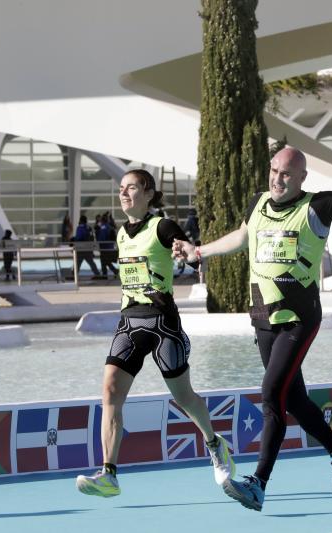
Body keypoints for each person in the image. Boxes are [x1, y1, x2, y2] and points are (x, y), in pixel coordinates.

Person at [174, 117, 332, 512]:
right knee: (295, 399)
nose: (278, 179)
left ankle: (258, 483)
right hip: (262, 317)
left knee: (272, 394)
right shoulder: (258, 202)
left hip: (298, 318)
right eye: (274, 171)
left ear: (302, 178)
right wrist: (199, 251)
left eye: (287, 174)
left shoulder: (317, 207)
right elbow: (242, 237)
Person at [76, 169, 234, 498]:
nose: (124, 193)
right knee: (110, 390)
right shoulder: (121, 233)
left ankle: (214, 443)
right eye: (121, 188)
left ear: (148, 194)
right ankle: (109, 474)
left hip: (162, 323)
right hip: (129, 322)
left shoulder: (161, 226)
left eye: (131, 188)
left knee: (184, 396)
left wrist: (191, 254)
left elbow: (187, 249)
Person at [96, 213, 119, 279]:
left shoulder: (103, 228)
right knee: (106, 261)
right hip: (110, 247)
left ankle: (105, 274)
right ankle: (112, 272)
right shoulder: (109, 226)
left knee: (104, 261)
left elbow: (101, 238)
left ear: (102, 221)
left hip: (104, 247)